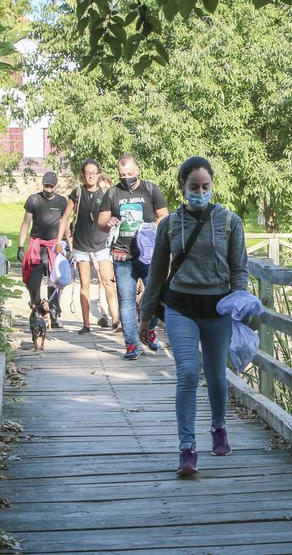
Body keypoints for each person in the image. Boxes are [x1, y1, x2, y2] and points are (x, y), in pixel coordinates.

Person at [140, 156, 248, 476]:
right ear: (183, 187)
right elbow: (157, 273)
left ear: (212, 185)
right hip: (180, 307)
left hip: (218, 309)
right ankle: (186, 448)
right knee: (188, 373)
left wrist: (239, 305)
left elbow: (239, 270)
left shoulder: (230, 222)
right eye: (193, 187)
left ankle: (218, 427)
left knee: (216, 375)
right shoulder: (170, 224)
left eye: (205, 186)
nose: (200, 191)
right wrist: (146, 316)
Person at [98, 155, 169, 359]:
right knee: (126, 301)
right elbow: (101, 222)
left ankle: (149, 329)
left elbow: (164, 215)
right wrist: (108, 221)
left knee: (157, 296)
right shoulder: (112, 193)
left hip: (148, 255)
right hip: (122, 256)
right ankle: (131, 344)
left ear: (137, 171)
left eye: (129, 174)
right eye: (122, 175)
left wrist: (152, 228)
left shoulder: (150, 189)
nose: (126, 178)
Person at [62, 159, 120, 335]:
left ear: (98, 174)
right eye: (87, 172)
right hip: (81, 245)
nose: (90, 175)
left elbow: (115, 217)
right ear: (83, 174)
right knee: (84, 284)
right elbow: (65, 218)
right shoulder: (77, 192)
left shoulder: (106, 194)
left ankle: (116, 320)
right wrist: (66, 239)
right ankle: (86, 324)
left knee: (108, 281)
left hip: (101, 244)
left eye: (94, 172)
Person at [17, 171, 68, 346]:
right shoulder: (34, 200)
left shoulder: (62, 202)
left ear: (56, 186)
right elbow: (26, 223)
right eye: (46, 185)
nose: (48, 189)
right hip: (37, 244)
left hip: (54, 244)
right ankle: (37, 305)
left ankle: (53, 312)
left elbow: (65, 223)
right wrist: (21, 246)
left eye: (51, 186)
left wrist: (69, 243)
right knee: (33, 280)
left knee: (55, 280)